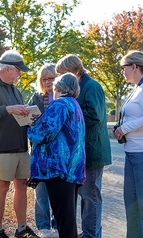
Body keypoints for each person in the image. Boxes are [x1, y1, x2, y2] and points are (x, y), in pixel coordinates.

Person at [0, 50, 39, 238]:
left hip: (20, 145)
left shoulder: (15, 88)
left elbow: (16, 114)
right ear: (8, 69)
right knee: (2, 187)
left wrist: (28, 117)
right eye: (18, 71)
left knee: (21, 184)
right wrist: (10, 109)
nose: (20, 74)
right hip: (0, 146)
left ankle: (21, 228)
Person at [55, 54, 112, 238]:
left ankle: (91, 235)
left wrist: (70, 118)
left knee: (90, 196)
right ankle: (89, 232)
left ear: (76, 71)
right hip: (81, 152)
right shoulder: (79, 87)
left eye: (64, 74)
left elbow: (95, 116)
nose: (62, 80)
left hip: (92, 150)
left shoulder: (92, 86)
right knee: (84, 197)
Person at [27, 73, 86, 238]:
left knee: (63, 220)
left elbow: (43, 133)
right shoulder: (74, 104)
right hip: (72, 168)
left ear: (58, 88)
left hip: (58, 168)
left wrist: (30, 127)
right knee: (67, 218)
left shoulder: (59, 104)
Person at [114, 50, 143, 237]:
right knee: (131, 205)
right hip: (131, 154)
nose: (122, 71)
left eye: (124, 67)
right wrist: (120, 126)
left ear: (134, 66)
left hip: (141, 154)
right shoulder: (135, 89)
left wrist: (125, 128)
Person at [28, 63, 59, 238]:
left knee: (57, 189)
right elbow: (29, 120)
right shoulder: (36, 98)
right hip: (39, 151)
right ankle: (44, 227)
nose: (48, 82)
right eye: (44, 79)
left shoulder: (63, 97)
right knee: (40, 191)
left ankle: (57, 225)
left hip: (58, 153)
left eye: (51, 78)